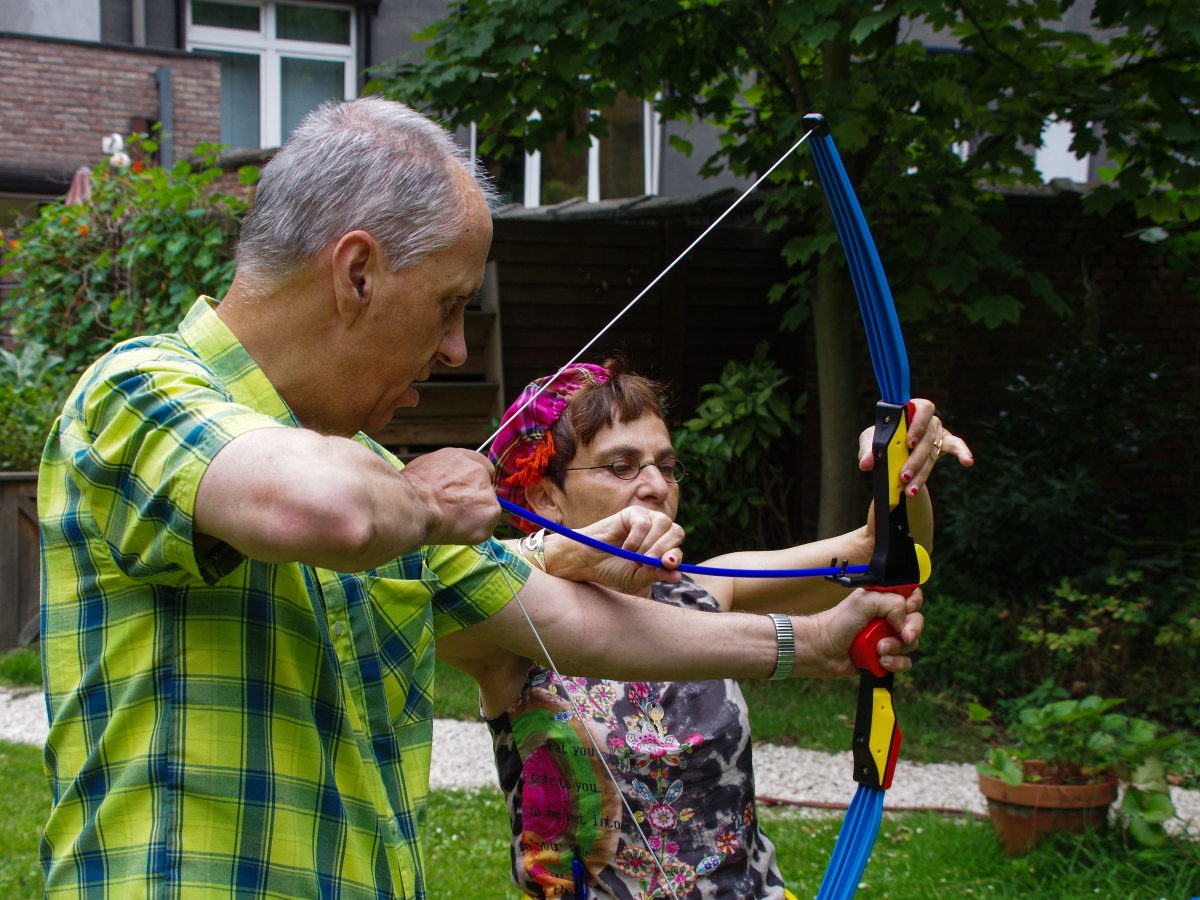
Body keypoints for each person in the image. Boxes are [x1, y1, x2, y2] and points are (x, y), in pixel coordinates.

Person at [37, 97, 927, 900]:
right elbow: (325, 512)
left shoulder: (373, 477)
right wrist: (423, 498)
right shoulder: (140, 391)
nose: (458, 347)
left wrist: (809, 642)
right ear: (356, 274)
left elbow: (580, 626)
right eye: (449, 305)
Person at [436, 361, 970, 900]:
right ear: (544, 497)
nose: (654, 486)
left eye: (665, 466)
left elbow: (883, 551)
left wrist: (899, 460)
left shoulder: (707, 590)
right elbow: (428, 580)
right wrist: (559, 555)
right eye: (620, 466)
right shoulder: (510, 630)